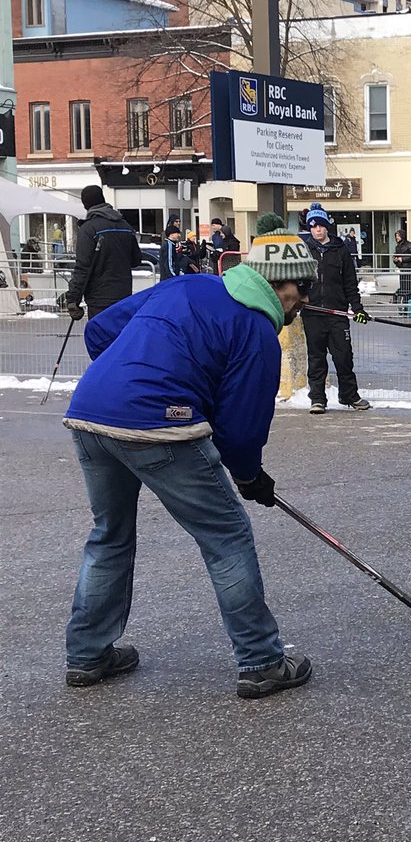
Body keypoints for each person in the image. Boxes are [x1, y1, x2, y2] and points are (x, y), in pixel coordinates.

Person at [61, 211, 317, 699]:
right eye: (300, 289)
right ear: (275, 281)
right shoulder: (257, 328)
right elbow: (240, 431)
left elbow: (100, 333)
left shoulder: (186, 286)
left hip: (90, 412)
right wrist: (249, 478)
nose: (303, 301)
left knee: (109, 535)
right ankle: (262, 660)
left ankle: (88, 654)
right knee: (227, 536)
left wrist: (131, 375)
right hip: (161, 424)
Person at [302, 204, 371, 413]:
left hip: (337, 313)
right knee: (316, 358)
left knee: (343, 356)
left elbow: (350, 283)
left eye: (321, 226)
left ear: (326, 227)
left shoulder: (340, 250)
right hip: (313, 313)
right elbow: (297, 281)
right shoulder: (304, 251)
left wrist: (357, 308)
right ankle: (317, 399)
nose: (317, 230)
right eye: (313, 227)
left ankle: (349, 395)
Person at [63, 185, 143, 321]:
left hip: (99, 299)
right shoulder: (125, 226)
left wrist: (73, 299)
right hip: (123, 295)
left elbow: (83, 267)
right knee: (120, 339)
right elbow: (136, 259)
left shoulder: (89, 229)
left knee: (100, 339)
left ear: (85, 205)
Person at [391, 227, 411, 304]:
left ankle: (407, 305)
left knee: (408, 288)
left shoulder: (409, 245)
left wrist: (402, 259)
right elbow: (396, 256)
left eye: (398, 236)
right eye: (396, 236)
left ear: (402, 236)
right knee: (403, 288)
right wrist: (395, 260)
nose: (397, 238)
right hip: (403, 269)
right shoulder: (397, 247)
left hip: (410, 269)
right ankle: (404, 305)